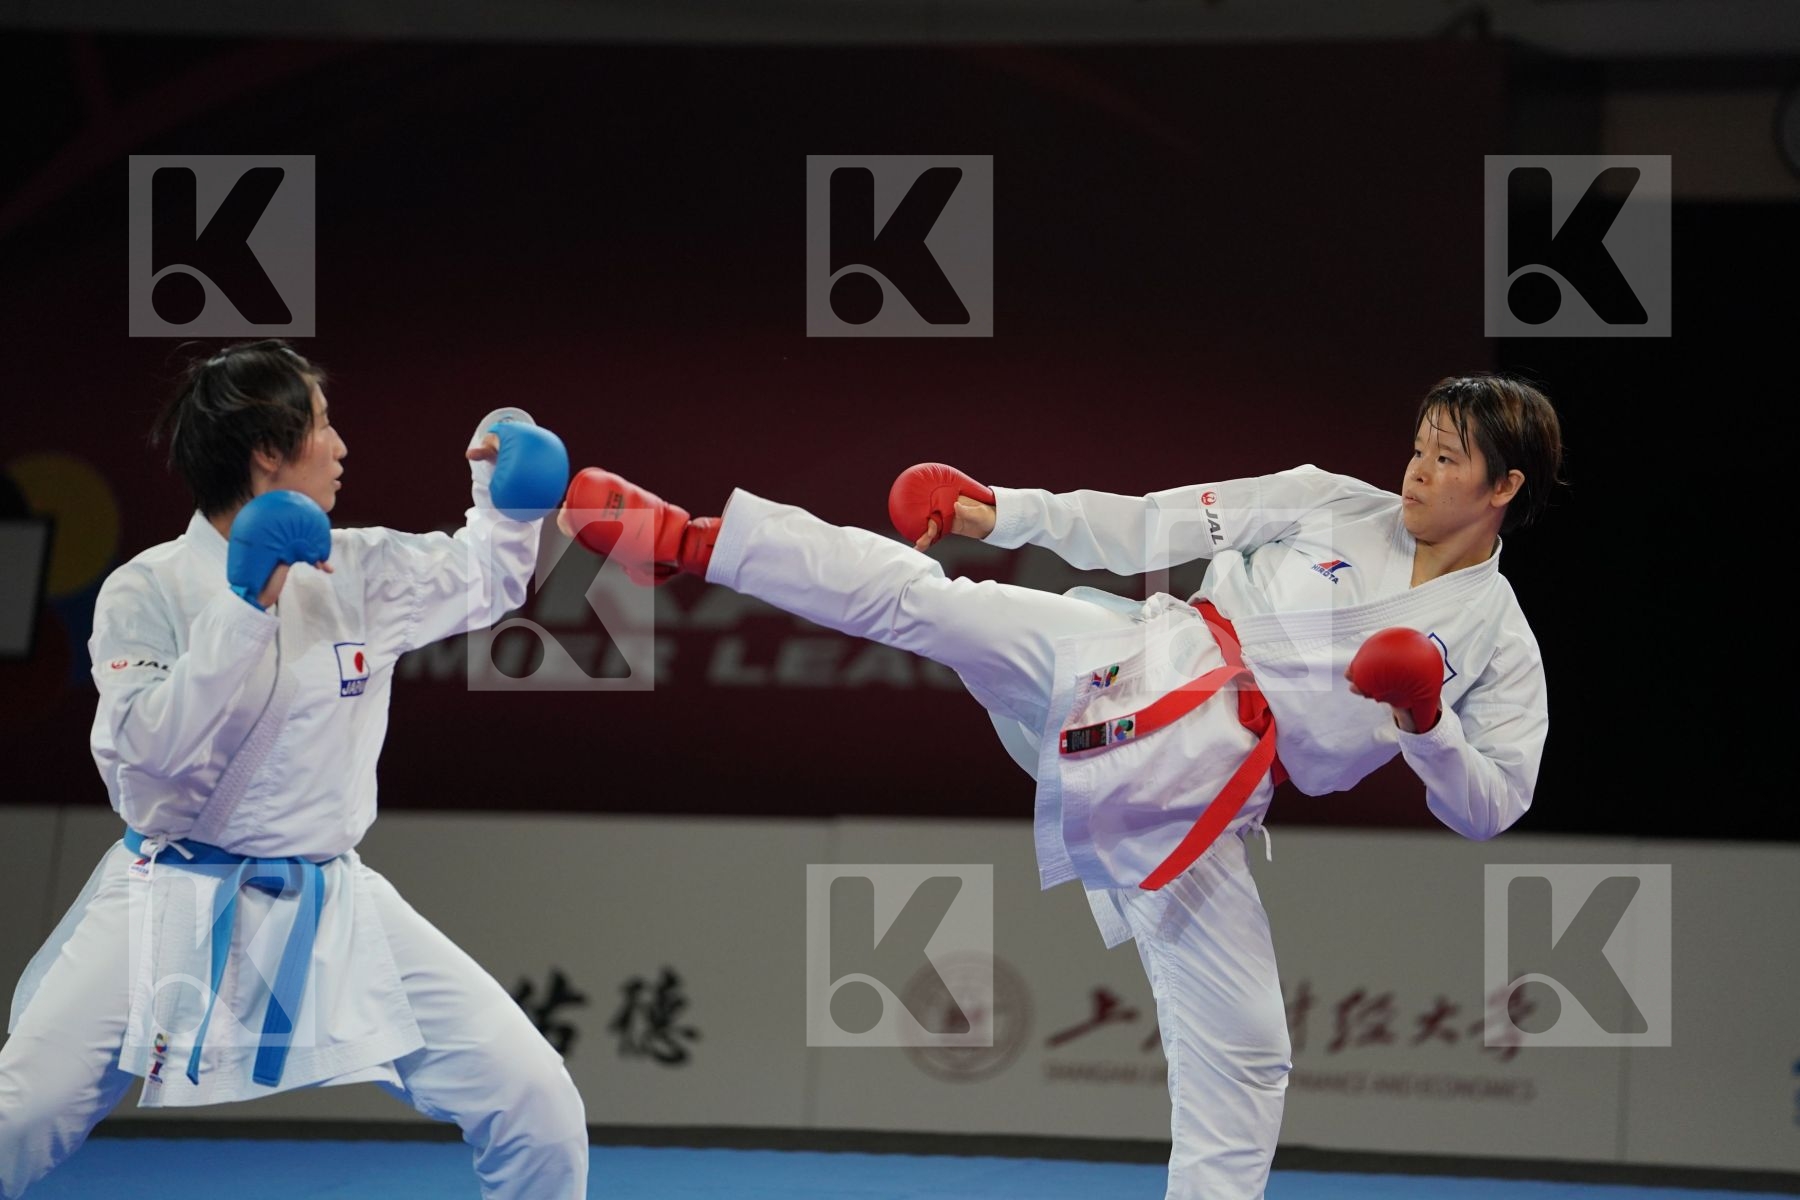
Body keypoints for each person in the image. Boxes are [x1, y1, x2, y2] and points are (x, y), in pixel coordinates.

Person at [554, 374, 1564, 1200]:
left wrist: (1428, 725)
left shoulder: (1497, 640)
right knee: (937, 606)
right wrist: (997, 511)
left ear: (1505, 486)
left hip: (1198, 805)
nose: (1417, 470)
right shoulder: (1330, 501)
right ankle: (692, 540)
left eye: (1447, 458)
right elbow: (1149, 524)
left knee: (1250, 1049)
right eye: (1418, 446)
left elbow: (1490, 807)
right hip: (1133, 669)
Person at [0, 340, 587, 1199]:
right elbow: (147, 760)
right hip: (169, 896)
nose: (341, 446)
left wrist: (502, 498)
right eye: (321, 425)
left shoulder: (357, 569)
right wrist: (245, 608)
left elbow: (482, 580)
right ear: (267, 451)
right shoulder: (147, 589)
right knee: (21, 1115)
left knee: (537, 1101)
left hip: (328, 895)